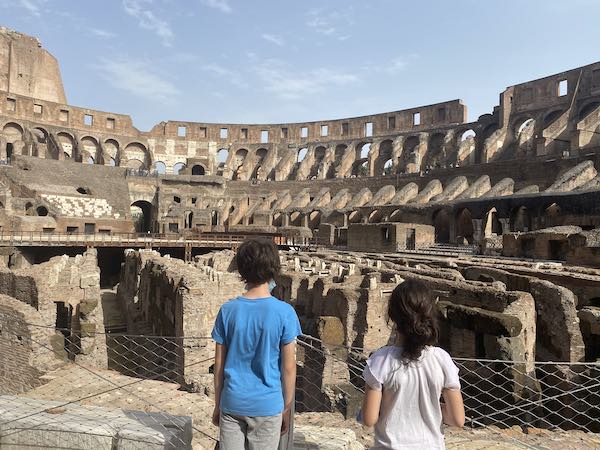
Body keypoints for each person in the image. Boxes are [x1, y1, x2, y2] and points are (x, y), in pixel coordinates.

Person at [211, 237, 302, 450]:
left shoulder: (227, 310)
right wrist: (286, 408)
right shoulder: (285, 313)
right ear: (274, 270)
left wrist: (218, 405)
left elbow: (219, 366)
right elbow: (289, 368)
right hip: (267, 405)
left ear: (241, 270)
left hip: (232, 401)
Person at [360, 279, 465, 449]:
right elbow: (457, 419)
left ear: (391, 316)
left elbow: (369, 419)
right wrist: (431, 408)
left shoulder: (380, 360)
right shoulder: (442, 359)